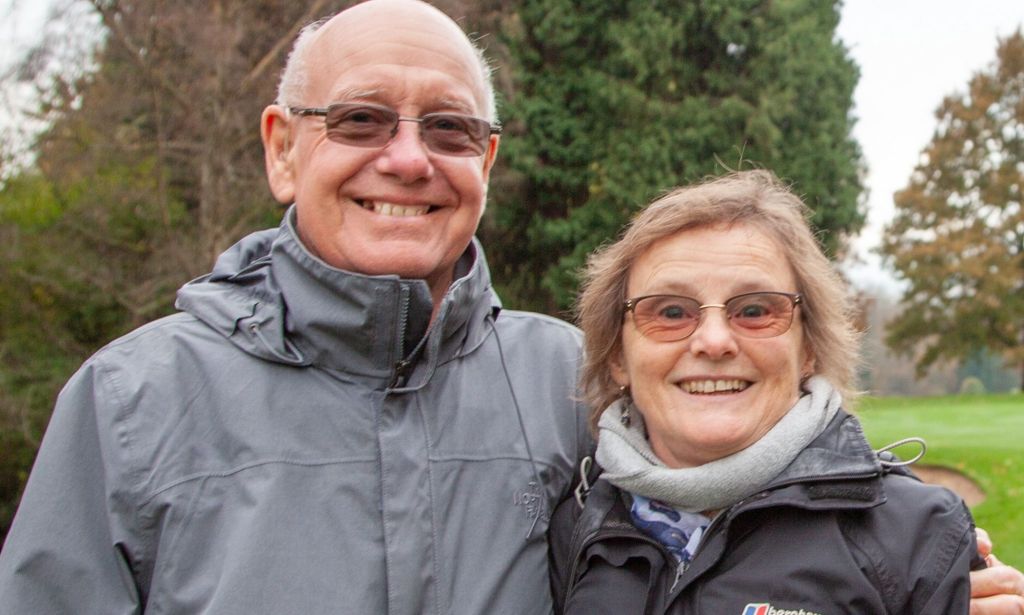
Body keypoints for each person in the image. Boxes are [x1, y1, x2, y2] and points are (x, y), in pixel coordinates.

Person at [0, 2, 1021, 614]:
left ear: (484, 160)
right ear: (281, 147)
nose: (406, 157)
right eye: (359, 118)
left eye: (446, 127)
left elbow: (759, 494)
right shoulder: (131, 401)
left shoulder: (564, 380)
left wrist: (939, 577)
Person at [548, 170, 1022, 614]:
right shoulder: (575, 524)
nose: (713, 341)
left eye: (755, 310)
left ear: (809, 348)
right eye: (670, 312)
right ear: (616, 356)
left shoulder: (914, 534)